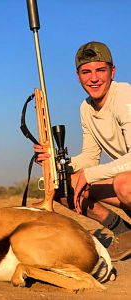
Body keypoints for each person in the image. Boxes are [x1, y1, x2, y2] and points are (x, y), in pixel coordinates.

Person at [34, 41, 131, 261]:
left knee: (124, 183)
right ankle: (124, 232)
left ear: (112, 71)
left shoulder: (124, 95)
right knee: (61, 185)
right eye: (86, 72)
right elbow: (90, 157)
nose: (93, 78)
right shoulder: (85, 107)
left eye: (100, 70)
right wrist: (56, 164)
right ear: (78, 76)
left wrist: (89, 175)